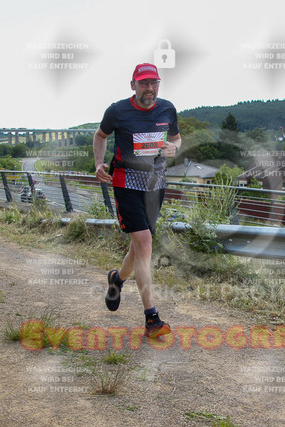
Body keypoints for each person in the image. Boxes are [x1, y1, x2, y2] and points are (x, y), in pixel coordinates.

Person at [93, 63, 181, 338]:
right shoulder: (117, 111)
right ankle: (151, 318)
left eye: (154, 83)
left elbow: (176, 138)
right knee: (144, 243)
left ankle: (117, 279)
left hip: (155, 186)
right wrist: (98, 163)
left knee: (139, 246)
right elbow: (100, 135)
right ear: (133, 85)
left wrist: (174, 148)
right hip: (126, 184)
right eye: (143, 83)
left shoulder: (167, 109)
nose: (149, 88)